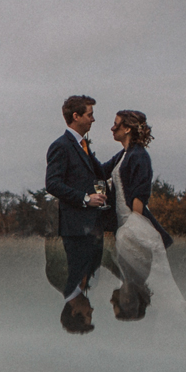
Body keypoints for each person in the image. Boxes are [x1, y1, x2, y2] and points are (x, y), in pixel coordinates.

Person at [103, 109, 184, 319]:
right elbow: (100, 171)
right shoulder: (123, 155)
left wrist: (133, 230)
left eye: (116, 124)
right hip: (123, 226)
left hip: (133, 227)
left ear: (127, 128)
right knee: (131, 279)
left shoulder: (139, 156)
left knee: (137, 278)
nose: (112, 128)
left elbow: (139, 197)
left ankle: (136, 314)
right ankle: (136, 316)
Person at [45, 94, 109, 333]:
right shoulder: (61, 146)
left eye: (87, 315)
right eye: (90, 114)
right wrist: (85, 199)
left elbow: (101, 171)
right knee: (80, 271)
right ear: (76, 116)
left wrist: (128, 152)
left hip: (91, 229)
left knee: (85, 273)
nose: (93, 119)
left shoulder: (83, 146)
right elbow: (52, 183)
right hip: (76, 228)